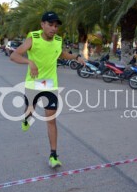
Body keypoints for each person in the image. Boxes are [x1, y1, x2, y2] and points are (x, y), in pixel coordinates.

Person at [10, 11, 85, 168]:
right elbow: (14, 55)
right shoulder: (34, 38)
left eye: (56, 26)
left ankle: (53, 155)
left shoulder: (58, 40)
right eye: (50, 25)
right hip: (33, 84)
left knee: (51, 120)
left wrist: (75, 57)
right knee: (30, 112)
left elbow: (60, 54)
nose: (53, 28)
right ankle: (27, 119)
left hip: (50, 84)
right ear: (42, 24)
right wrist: (29, 62)